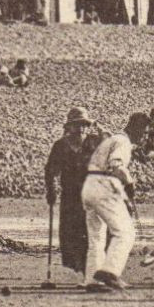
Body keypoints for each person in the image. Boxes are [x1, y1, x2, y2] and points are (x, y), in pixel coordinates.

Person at [82, 111, 149, 291]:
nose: (144, 137)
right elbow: (116, 164)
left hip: (89, 185)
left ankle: (92, 280)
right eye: (144, 132)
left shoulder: (113, 139)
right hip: (103, 185)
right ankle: (110, 272)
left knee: (97, 236)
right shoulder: (123, 141)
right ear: (137, 129)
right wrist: (129, 183)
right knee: (125, 232)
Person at [45, 107, 102, 287]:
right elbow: (50, 170)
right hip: (70, 197)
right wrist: (51, 190)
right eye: (77, 125)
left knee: (89, 233)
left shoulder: (94, 143)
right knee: (71, 234)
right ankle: (81, 272)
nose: (81, 129)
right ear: (70, 127)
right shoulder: (60, 146)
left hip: (90, 194)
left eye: (84, 125)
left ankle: (89, 273)